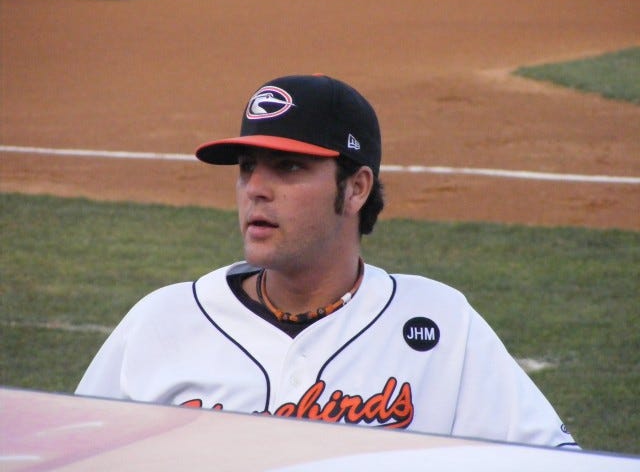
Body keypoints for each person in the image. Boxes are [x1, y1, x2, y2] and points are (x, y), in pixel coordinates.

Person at [76, 74, 578, 448]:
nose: (256, 189)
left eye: (288, 167)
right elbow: (71, 454)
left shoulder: (440, 324)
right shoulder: (162, 321)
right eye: (248, 168)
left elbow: (555, 458)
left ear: (356, 188)